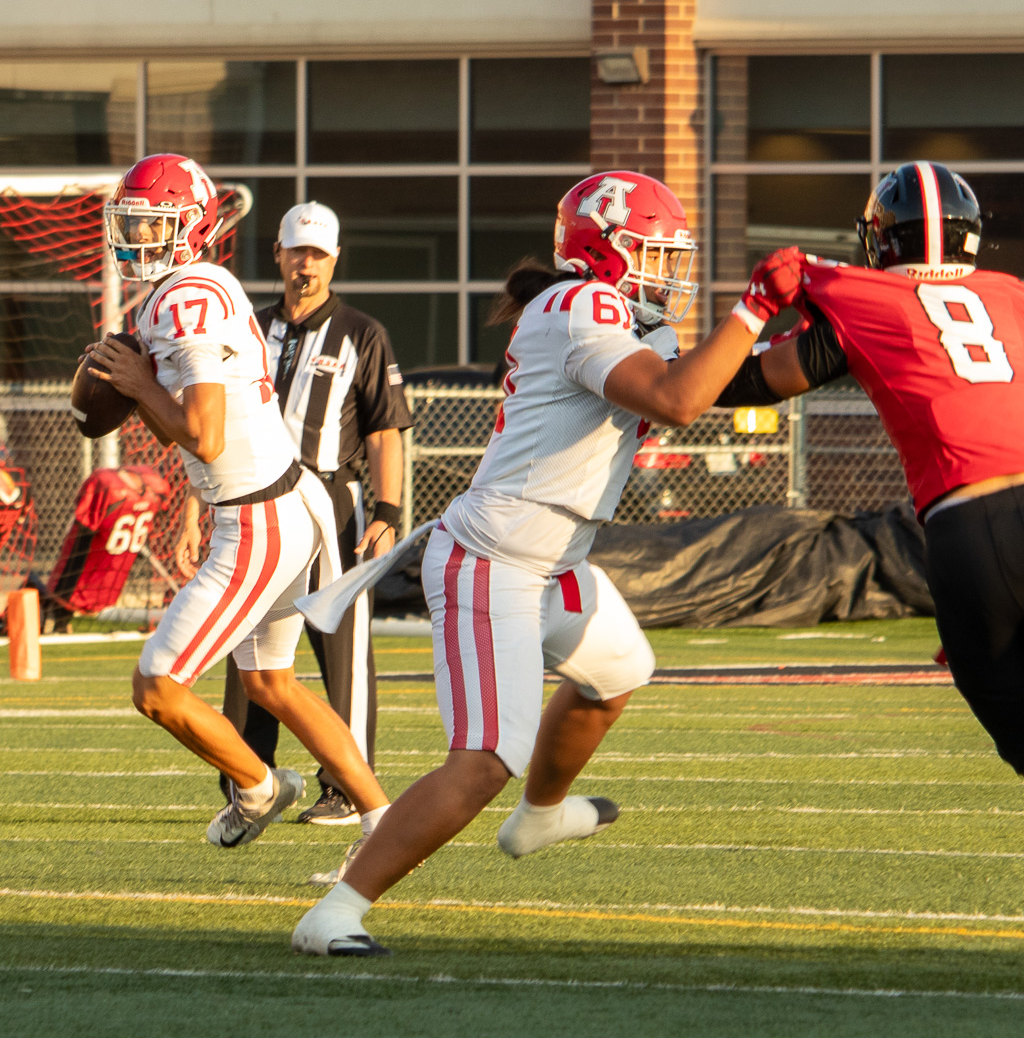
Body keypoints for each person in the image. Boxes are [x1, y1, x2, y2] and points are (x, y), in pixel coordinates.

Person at [292, 170, 774, 957]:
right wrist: (754, 308)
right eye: (653, 252)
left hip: (557, 557)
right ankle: (337, 911)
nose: (668, 271)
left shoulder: (625, 320)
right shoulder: (579, 305)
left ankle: (540, 815)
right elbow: (681, 400)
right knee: (485, 759)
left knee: (617, 669)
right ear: (605, 247)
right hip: (497, 559)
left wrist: (835, 341)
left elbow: (739, 378)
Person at [695, 163, 1024, 913]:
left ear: (879, 239)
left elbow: (745, 382)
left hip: (968, 528)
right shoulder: (1013, 297)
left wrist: (749, 311)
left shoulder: (857, 295)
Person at [85, 153, 391, 863]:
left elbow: (204, 433)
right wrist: (132, 390)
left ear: (189, 227)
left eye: (151, 224)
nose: (134, 238)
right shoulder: (195, 285)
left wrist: (134, 379)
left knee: (158, 687)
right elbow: (192, 428)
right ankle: (382, 820)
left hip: (258, 515)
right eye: (128, 223)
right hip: (283, 499)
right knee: (271, 683)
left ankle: (258, 786)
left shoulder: (185, 296)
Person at [174, 201, 412, 829]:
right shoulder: (246, 325)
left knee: (341, 644)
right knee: (248, 649)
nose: (305, 264)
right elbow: (216, 427)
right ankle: (248, 776)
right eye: (295, 251)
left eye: (317, 253)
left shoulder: (362, 332)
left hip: (330, 498)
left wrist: (388, 508)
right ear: (277, 254)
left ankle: (344, 787)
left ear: (335, 259)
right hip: (250, 496)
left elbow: (387, 430)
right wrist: (194, 512)